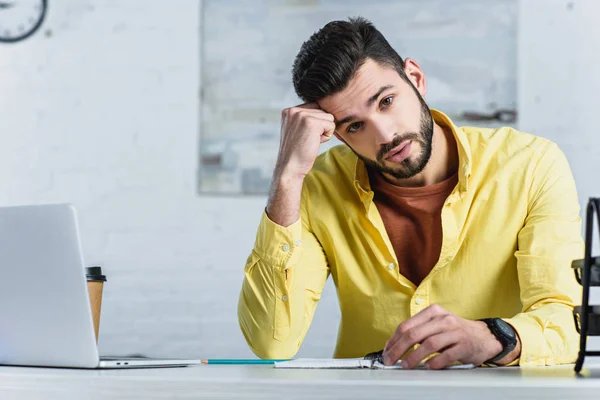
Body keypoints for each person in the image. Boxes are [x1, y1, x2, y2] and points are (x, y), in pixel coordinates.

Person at [237, 17, 583, 369]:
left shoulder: (530, 165)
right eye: (355, 126)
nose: (385, 135)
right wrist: (286, 176)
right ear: (338, 134)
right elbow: (272, 343)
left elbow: (569, 321)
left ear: (415, 78)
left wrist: (491, 337)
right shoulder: (315, 185)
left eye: (386, 101)